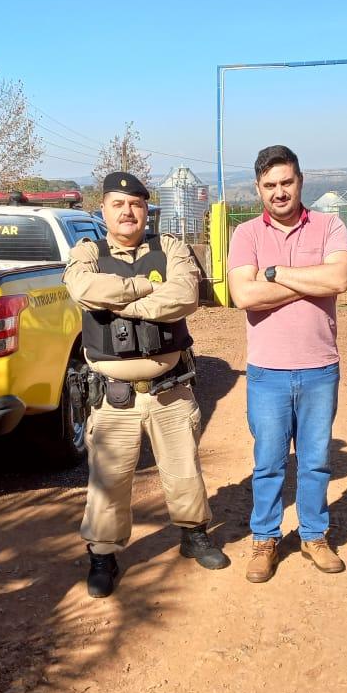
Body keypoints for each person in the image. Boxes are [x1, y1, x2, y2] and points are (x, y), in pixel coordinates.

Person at [63, 171, 227, 598]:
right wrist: (143, 288)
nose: (127, 212)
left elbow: (186, 294)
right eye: (118, 204)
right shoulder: (88, 251)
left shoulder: (170, 246)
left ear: (146, 209)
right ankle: (103, 555)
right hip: (113, 397)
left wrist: (122, 303)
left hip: (169, 388)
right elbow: (83, 289)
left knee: (183, 470)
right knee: (109, 482)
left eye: (135, 204)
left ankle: (194, 536)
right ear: (104, 210)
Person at [226, 145, 347, 584]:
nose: (279, 192)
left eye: (286, 182)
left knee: (316, 460)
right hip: (267, 371)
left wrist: (275, 273)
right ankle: (265, 538)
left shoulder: (330, 225)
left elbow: (338, 279)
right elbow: (242, 296)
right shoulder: (245, 234)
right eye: (269, 185)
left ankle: (314, 536)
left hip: (320, 368)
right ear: (258, 189)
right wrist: (310, 281)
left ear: (301, 180)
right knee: (268, 462)